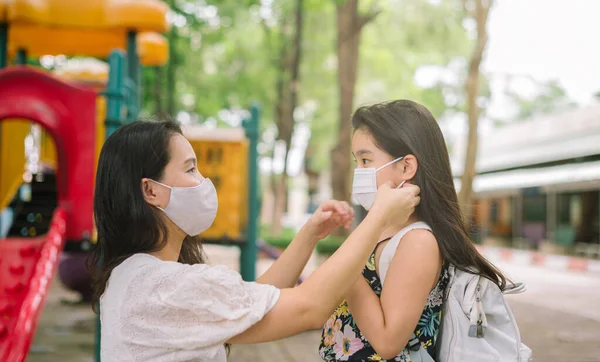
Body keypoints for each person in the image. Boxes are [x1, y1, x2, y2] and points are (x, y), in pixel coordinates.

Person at [90, 117, 421, 361]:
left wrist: (309, 236)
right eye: (190, 170)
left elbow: (256, 303)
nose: (203, 182)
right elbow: (308, 307)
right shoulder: (164, 286)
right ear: (151, 190)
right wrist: (378, 218)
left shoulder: (134, 275)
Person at [318, 100, 507, 362]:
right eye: (356, 161)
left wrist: (347, 271)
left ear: (406, 167)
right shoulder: (385, 230)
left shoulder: (417, 241)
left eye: (365, 160)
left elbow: (388, 342)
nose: (358, 172)